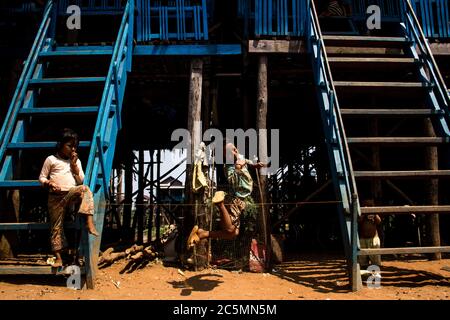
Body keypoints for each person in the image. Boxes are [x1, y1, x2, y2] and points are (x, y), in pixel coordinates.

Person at [39, 128, 98, 267]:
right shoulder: (51, 159)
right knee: (56, 227)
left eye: (75, 146)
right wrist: (49, 182)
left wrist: (74, 166)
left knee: (85, 189)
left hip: (70, 193)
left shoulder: (76, 162)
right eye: (69, 146)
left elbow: (81, 180)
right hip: (55, 197)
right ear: (61, 144)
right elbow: (41, 177)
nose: (73, 149)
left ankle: (89, 222)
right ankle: (59, 258)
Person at [187, 142, 264, 248]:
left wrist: (255, 165)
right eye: (231, 151)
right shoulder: (229, 167)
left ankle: (203, 233)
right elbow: (233, 181)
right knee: (230, 230)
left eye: (235, 148)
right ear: (227, 156)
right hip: (236, 198)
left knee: (233, 233)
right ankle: (220, 204)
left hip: (242, 198)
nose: (235, 151)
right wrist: (238, 167)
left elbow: (247, 161)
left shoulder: (240, 159)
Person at [358, 199, 382, 268]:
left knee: (375, 259)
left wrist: (374, 213)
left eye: (370, 205)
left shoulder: (374, 213)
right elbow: (358, 221)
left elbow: (379, 222)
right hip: (363, 238)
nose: (368, 206)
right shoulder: (361, 213)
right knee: (362, 260)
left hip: (374, 238)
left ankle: (376, 276)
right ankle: (364, 275)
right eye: (366, 205)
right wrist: (364, 213)